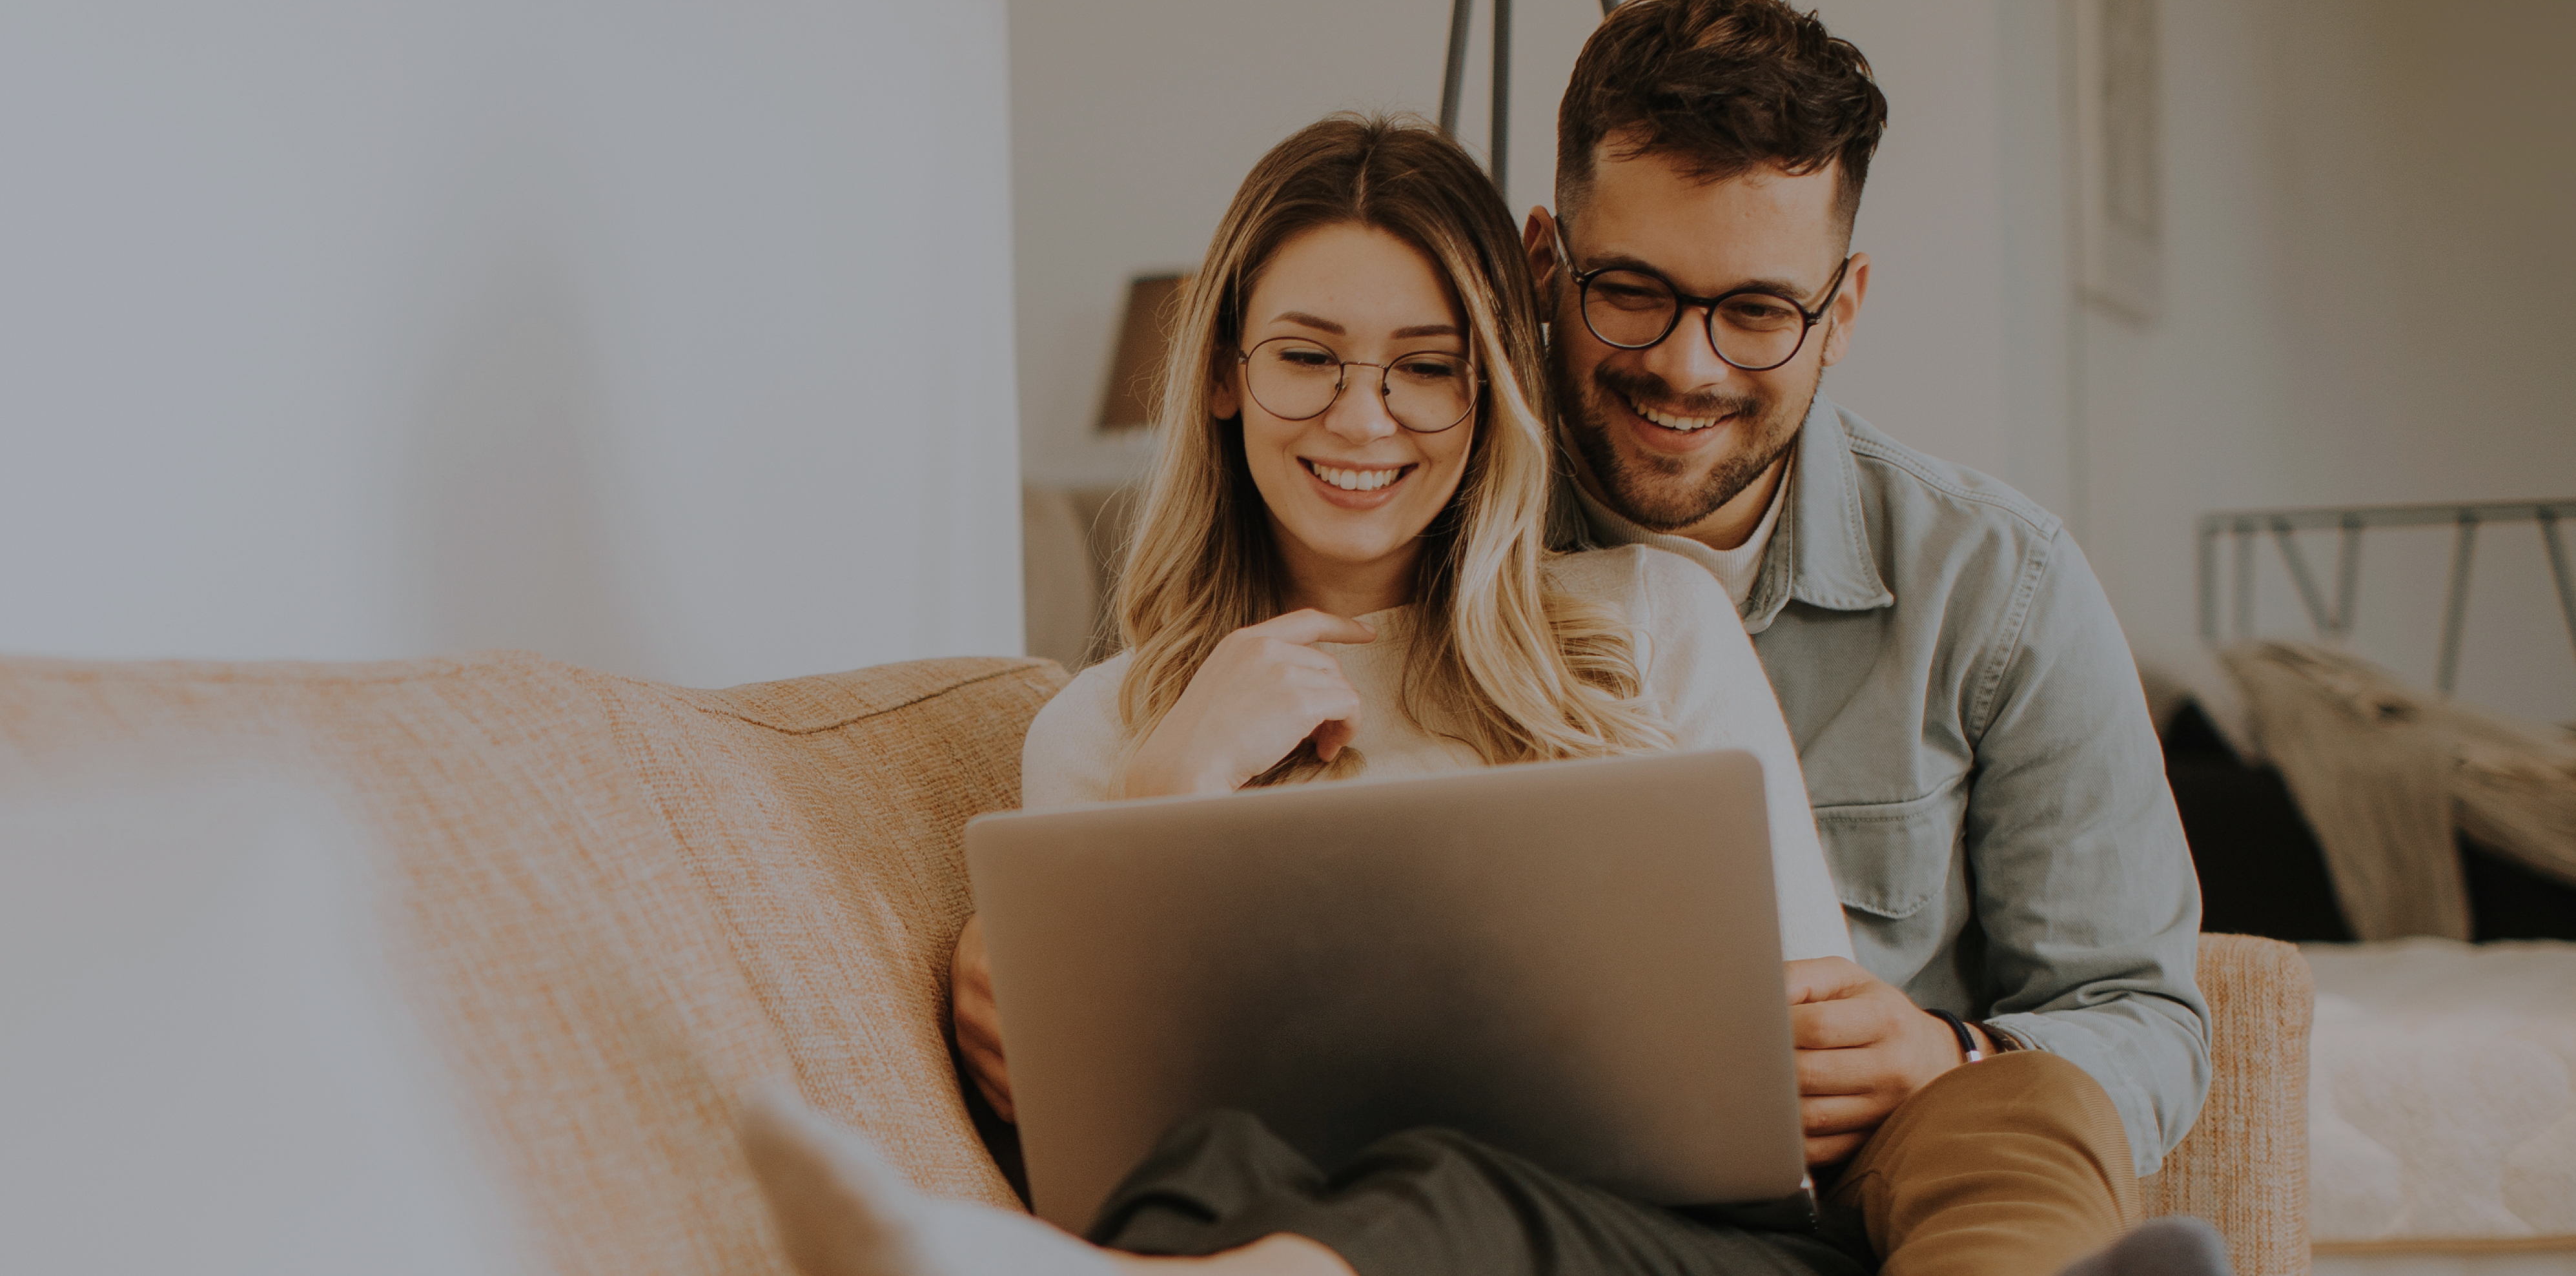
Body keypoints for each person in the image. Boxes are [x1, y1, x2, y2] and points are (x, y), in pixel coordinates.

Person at [755, 113, 2223, 1276]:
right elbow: (1105, 1142)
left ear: (1487, 394)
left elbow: (1783, 1072)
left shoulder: (1646, 620)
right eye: (1307, 358)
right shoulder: (1108, 725)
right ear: (1222, 374)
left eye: (1426, 369)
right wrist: (1167, 795)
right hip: (1268, 1218)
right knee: (1211, 1168)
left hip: (1681, 1250)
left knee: (1453, 1176)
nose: (1363, 418)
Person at [1520, 0, 2214, 1271]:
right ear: (1541, 262)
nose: (1686, 366)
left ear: (1840, 312)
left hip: (1872, 1184)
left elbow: (2142, 1014)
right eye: (1631, 291)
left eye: (1756, 312)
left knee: (2016, 1104)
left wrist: (1942, 1053)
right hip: (1539, 1163)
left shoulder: (1997, 582)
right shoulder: (1431, 533)